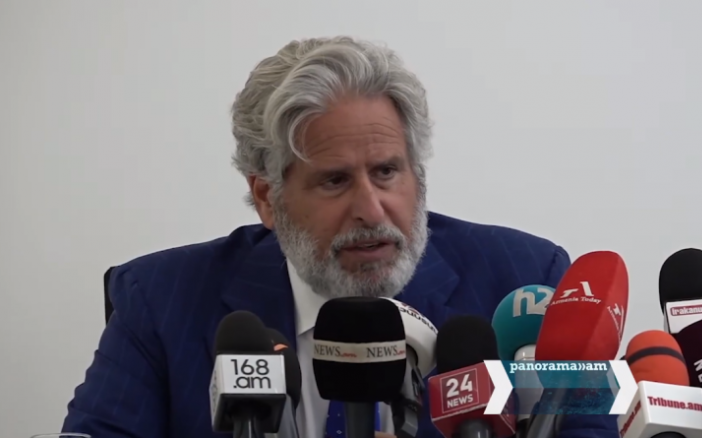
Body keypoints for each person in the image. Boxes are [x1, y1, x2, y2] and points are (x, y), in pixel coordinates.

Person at [62, 36, 618, 438]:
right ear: (267, 197)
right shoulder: (160, 301)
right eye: (334, 181)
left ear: (417, 174)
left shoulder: (528, 284)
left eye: (386, 171)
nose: (371, 210)